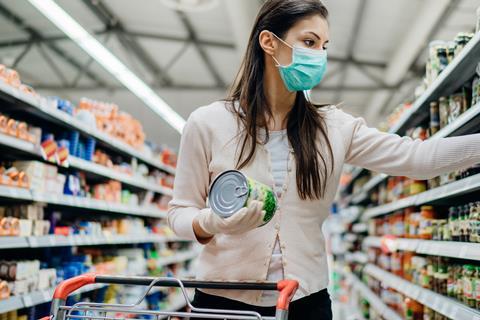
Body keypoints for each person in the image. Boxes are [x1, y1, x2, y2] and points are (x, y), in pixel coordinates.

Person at [168, 0, 480, 318]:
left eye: (323, 46)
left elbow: (416, 158)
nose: (319, 55)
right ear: (269, 42)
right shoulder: (207, 123)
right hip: (223, 302)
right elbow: (179, 213)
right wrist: (211, 222)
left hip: (307, 302)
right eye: (309, 42)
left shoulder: (334, 127)